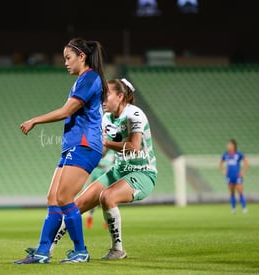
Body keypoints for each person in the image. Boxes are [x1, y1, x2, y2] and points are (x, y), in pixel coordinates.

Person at [27, 78, 158, 260]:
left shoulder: (134, 114)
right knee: (74, 205)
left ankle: (117, 250)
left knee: (107, 196)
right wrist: (82, 164)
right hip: (119, 170)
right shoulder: (105, 118)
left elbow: (135, 147)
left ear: (120, 96)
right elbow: (102, 150)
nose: (102, 99)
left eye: (107, 95)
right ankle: (47, 249)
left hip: (143, 173)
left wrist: (106, 143)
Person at [14, 37, 108, 264]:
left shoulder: (90, 78)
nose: (65, 62)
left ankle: (81, 251)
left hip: (85, 145)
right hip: (73, 146)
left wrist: (35, 120)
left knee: (65, 196)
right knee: (53, 198)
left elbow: (67, 111)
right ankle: (42, 253)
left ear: (82, 56)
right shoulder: (80, 81)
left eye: (68, 58)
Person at [85, 148, 115, 229]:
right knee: (94, 202)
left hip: (108, 180)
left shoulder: (113, 152)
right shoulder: (98, 151)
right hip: (97, 179)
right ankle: (90, 217)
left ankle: (107, 221)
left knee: (107, 201)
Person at [219, 139, 249, 214]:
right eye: (228, 144)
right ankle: (233, 208)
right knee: (232, 193)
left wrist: (243, 172)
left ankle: (244, 208)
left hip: (237, 175)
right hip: (229, 176)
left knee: (240, 191)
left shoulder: (238, 154)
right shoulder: (225, 154)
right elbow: (220, 164)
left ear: (234, 146)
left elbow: (246, 163)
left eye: (230, 144)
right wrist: (223, 171)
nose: (228, 146)